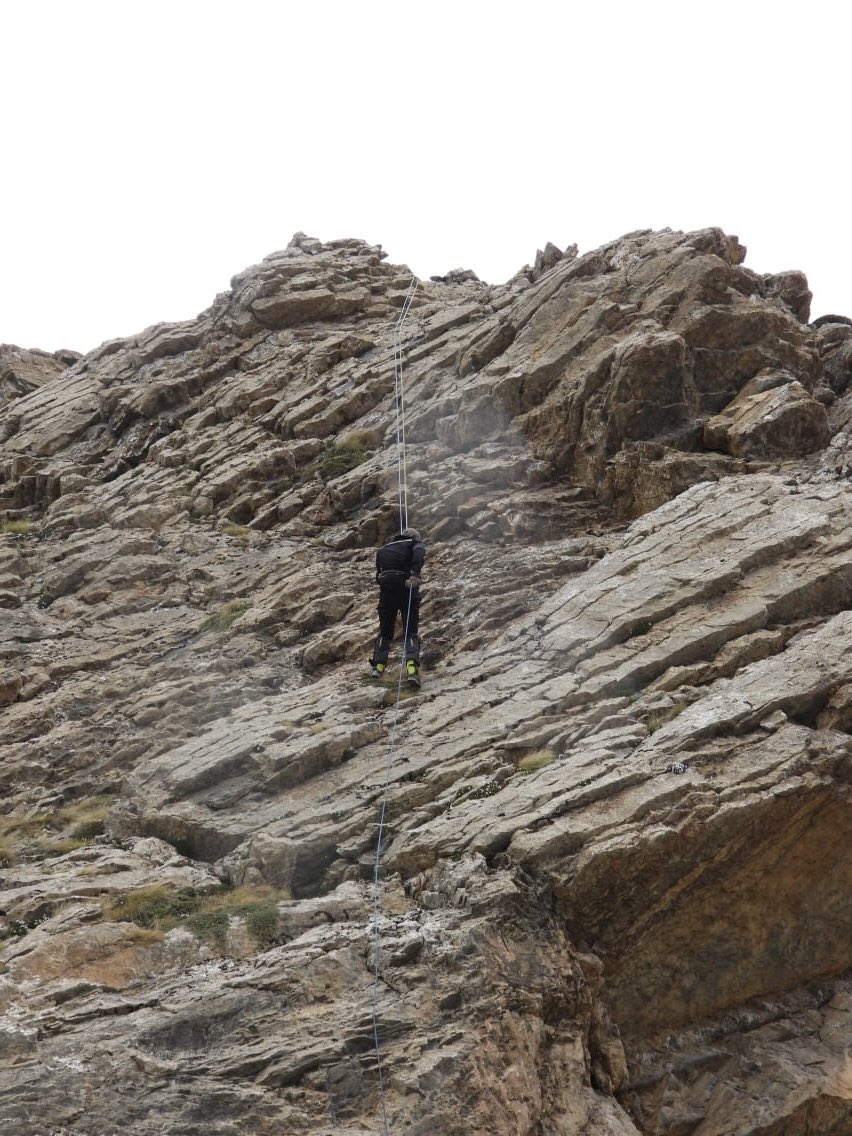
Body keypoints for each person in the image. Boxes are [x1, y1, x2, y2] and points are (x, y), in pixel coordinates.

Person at [369, 527, 425, 686]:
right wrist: (414, 574)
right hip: (406, 587)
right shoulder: (415, 543)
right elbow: (419, 553)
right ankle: (412, 671)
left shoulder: (383, 549)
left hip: (386, 589)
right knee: (410, 632)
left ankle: (377, 668)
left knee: (385, 632)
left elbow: (378, 574)